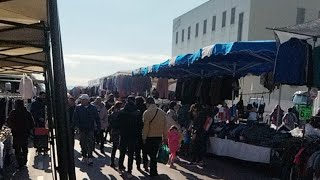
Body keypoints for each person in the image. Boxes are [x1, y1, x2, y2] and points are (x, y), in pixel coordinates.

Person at [142, 97, 167, 177]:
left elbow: (146, 127)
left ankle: (152, 170)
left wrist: (144, 137)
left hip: (149, 136)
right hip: (158, 137)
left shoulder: (147, 112)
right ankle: (154, 171)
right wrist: (165, 137)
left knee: (149, 153)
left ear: (148, 103)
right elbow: (165, 126)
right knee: (154, 154)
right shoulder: (162, 113)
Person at [73, 94, 100, 165]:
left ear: (87, 100)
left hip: (90, 128)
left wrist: (98, 127)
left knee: (90, 142)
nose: (81, 101)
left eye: (83, 100)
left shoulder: (93, 108)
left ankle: (90, 157)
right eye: (81, 100)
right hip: (82, 129)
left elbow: (97, 118)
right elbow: (75, 118)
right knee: (83, 142)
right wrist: (76, 126)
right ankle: (84, 156)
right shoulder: (78, 108)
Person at [7, 99, 35, 169]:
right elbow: (32, 123)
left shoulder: (13, 112)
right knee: (24, 147)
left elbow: (9, 122)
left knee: (17, 148)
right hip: (25, 133)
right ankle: (25, 161)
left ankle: (20, 163)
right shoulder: (27, 113)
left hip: (16, 133)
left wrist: (12, 127)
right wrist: (29, 129)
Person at [117, 95, 140, 178]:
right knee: (130, 154)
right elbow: (139, 125)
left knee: (122, 152)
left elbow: (117, 123)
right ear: (134, 101)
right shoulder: (137, 112)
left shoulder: (121, 111)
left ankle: (120, 168)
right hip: (133, 135)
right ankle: (129, 171)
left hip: (123, 134)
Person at [109, 101, 123, 168]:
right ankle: (120, 163)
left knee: (114, 147)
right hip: (119, 131)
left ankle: (112, 162)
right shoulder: (120, 113)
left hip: (113, 130)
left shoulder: (112, 113)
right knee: (119, 147)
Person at [135, 96, 148, 171]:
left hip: (137, 133)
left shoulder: (135, 110)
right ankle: (145, 166)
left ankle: (138, 165)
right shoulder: (146, 110)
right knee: (145, 151)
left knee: (137, 150)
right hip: (145, 132)